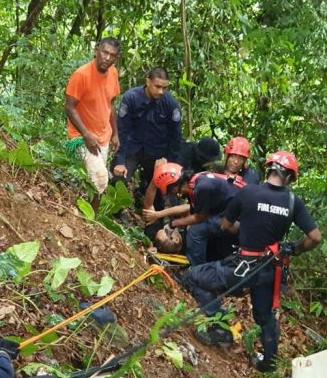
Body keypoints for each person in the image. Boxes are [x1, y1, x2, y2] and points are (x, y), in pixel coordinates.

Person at [181, 151, 321, 372]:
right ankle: (268, 366)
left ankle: (220, 330)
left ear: (269, 170)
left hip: (242, 265)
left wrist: (247, 228)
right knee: (265, 317)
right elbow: (315, 237)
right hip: (269, 268)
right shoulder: (293, 201)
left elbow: (225, 225)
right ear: (289, 177)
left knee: (193, 277)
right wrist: (295, 248)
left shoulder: (247, 192)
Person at [144, 163, 245, 265]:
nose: (175, 194)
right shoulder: (198, 180)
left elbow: (194, 212)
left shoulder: (198, 187)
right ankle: (198, 270)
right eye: (166, 232)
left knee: (197, 228)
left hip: (240, 213)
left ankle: (197, 272)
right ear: (175, 240)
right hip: (238, 214)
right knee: (197, 229)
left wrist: (164, 219)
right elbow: (199, 215)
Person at [110, 67, 182, 210]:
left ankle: (153, 222)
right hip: (133, 148)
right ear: (148, 82)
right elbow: (122, 131)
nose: (161, 91)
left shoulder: (170, 104)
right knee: (118, 178)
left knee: (160, 188)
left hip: (157, 153)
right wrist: (120, 161)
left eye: (165, 88)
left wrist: (169, 163)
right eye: (158, 86)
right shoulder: (131, 98)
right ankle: (113, 214)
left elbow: (175, 137)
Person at [65, 37, 120, 204]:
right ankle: (89, 221)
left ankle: (90, 218)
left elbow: (110, 104)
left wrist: (115, 134)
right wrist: (86, 134)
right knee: (101, 178)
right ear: (97, 51)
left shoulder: (113, 73)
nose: (107, 58)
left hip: (103, 136)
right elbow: (69, 107)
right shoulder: (81, 75)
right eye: (104, 52)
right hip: (82, 136)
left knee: (96, 183)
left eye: (112, 55)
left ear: (116, 58)